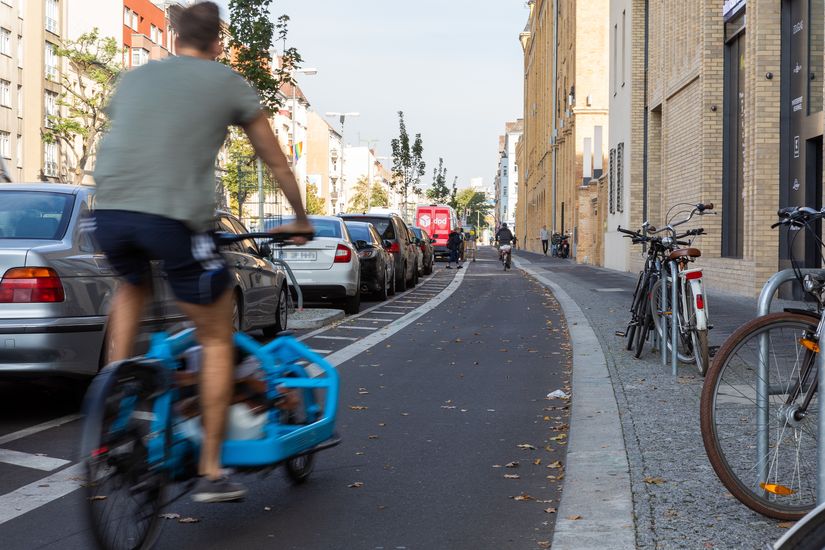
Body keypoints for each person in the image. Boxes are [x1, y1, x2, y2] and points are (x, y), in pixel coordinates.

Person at [92, 1, 312, 504]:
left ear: (172, 37)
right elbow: (275, 160)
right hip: (173, 218)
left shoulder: (134, 79)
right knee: (216, 336)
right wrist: (298, 216)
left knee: (131, 286)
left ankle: (115, 409)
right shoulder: (226, 81)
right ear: (217, 42)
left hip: (109, 214)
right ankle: (212, 469)